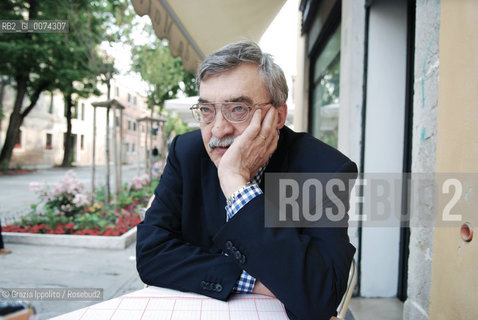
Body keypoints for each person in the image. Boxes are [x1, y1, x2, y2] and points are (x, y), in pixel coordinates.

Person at [136, 40, 357, 320]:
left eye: (237, 109)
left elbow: (319, 298)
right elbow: (151, 254)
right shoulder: (187, 152)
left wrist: (236, 184)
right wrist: (256, 281)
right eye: (206, 110)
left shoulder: (325, 170)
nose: (218, 129)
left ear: (278, 116)